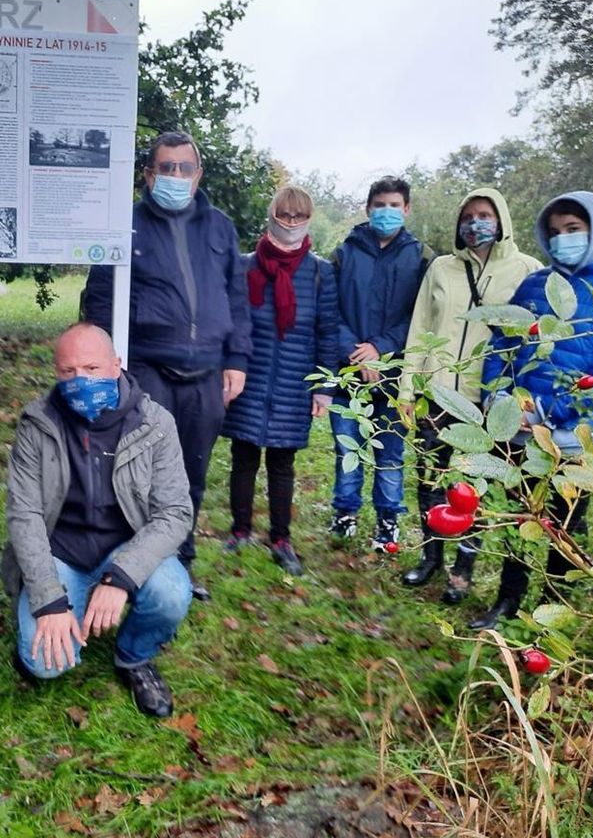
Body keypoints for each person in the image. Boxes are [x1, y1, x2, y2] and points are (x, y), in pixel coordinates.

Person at [82, 130, 251, 601]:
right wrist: (103, 368)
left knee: (191, 474)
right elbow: (99, 298)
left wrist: (236, 360)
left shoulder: (220, 228)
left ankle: (181, 560)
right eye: (166, 168)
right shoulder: (125, 226)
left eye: (185, 168)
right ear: (149, 175)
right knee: (140, 472)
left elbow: (237, 299)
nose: (176, 176)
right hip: (147, 370)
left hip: (207, 376)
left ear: (197, 175)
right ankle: (132, 561)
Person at [472, 191, 593, 629]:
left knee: (567, 519)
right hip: (520, 425)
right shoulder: (536, 284)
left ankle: (558, 609)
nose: (562, 240)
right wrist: (497, 394)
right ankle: (507, 602)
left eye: (573, 230)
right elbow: (503, 343)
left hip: (576, 431)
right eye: (554, 233)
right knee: (520, 513)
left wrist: (558, 407)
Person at [2, 323, 193, 717]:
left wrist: (121, 577)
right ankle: (66, 607)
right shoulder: (37, 423)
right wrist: (49, 601)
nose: (80, 381)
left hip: (126, 548)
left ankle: (133, 656)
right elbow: (25, 515)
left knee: (172, 593)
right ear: (56, 372)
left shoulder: (155, 424)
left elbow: (175, 513)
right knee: (44, 664)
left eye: (91, 369)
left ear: (116, 364)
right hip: (61, 553)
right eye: (68, 372)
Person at [397, 188, 541, 602]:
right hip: (438, 394)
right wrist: (409, 388)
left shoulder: (527, 270)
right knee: (430, 478)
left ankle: (463, 571)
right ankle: (430, 557)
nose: (475, 222)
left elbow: (532, 340)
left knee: (472, 489)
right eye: (469, 215)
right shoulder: (442, 268)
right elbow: (420, 329)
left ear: (502, 220)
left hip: (489, 402)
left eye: (484, 214)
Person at [220, 185, 340, 576]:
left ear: (308, 220)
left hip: (294, 381)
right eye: (284, 215)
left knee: (282, 463)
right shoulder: (244, 266)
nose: (290, 222)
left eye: (298, 216)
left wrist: (324, 387)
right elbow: (230, 323)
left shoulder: (321, 273)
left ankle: (281, 538)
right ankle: (240, 530)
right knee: (243, 457)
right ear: (272, 215)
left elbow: (328, 332)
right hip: (249, 376)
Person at [329, 175, 430, 552]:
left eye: (394, 205)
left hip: (394, 376)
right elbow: (331, 308)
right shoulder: (345, 252)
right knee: (347, 448)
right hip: (348, 373)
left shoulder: (421, 257)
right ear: (368, 208)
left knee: (389, 452)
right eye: (379, 205)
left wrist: (380, 350)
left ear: (406, 209)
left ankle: (388, 523)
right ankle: (345, 513)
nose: (386, 212)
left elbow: (420, 317)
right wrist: (355, 352)